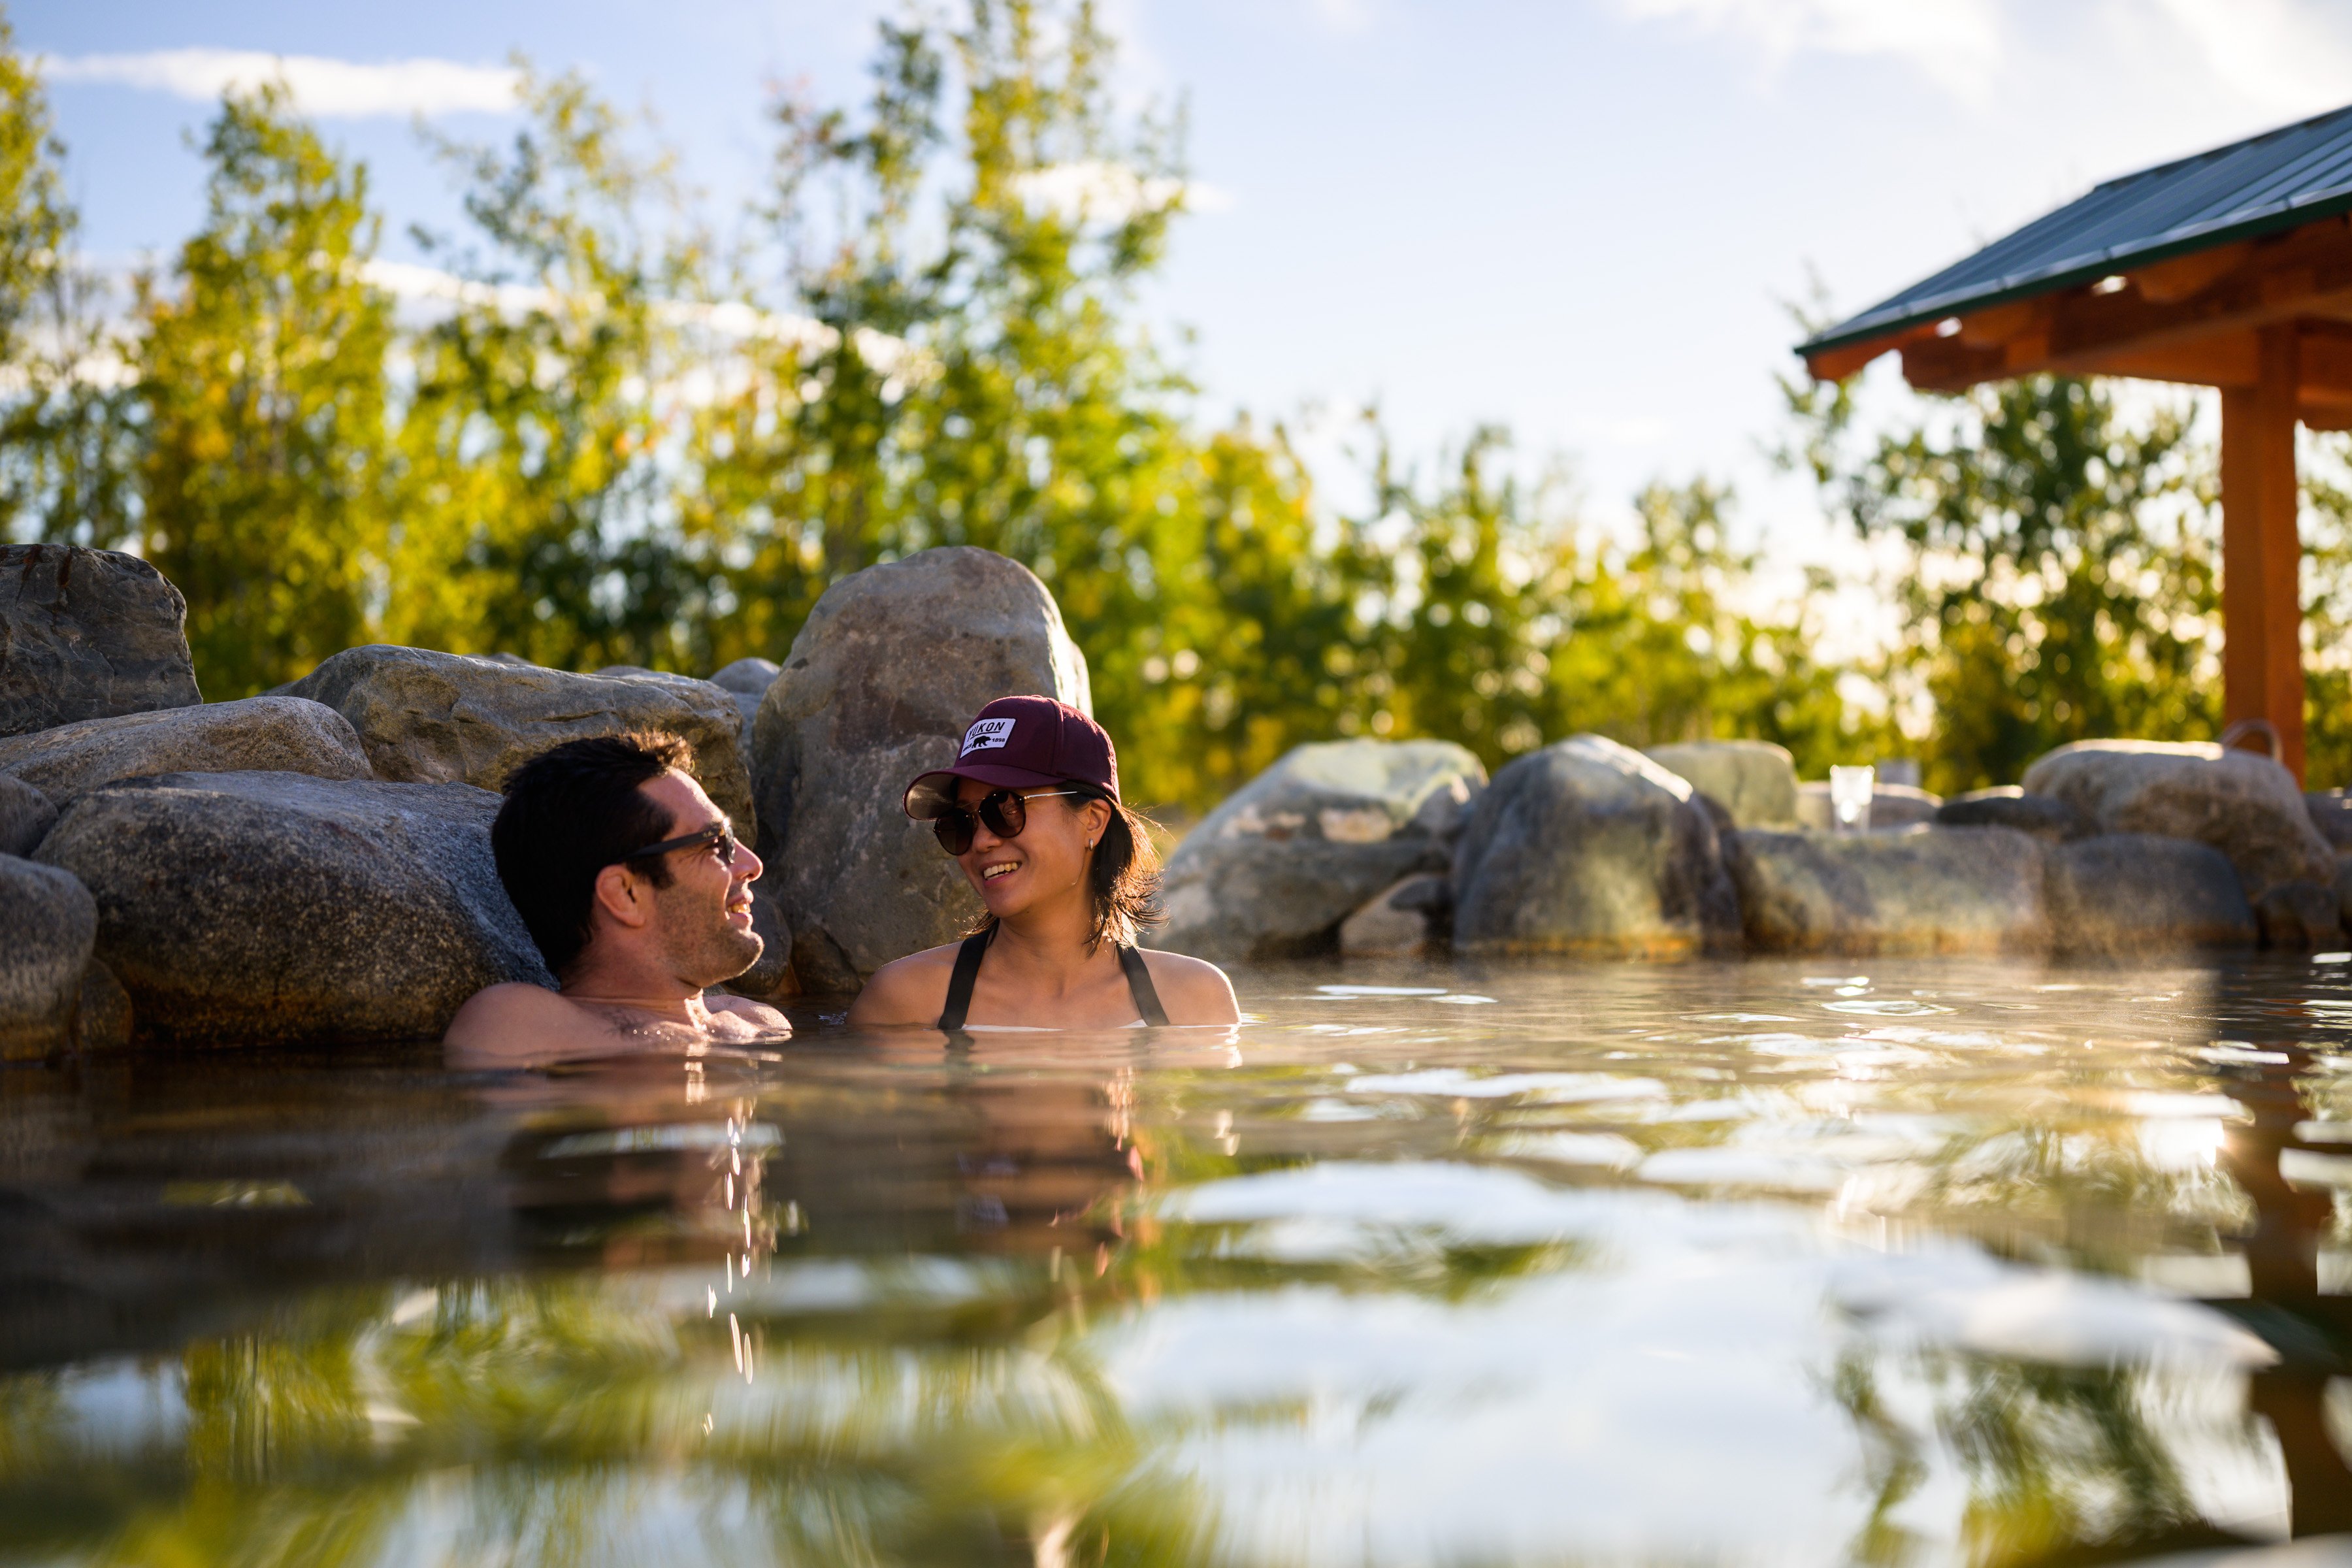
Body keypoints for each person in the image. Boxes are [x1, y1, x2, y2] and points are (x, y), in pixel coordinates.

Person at [849, 695, 1240, 1030]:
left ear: (1094, 820)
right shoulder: (903, 1005)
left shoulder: (1194, 1003)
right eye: (961, 822)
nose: (982, 841)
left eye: (1005, 808)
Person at [444, 731, 791, 1066]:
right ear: (625, 894)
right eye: (717, 845)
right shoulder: (520, 1024)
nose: (752, 865)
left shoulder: (761, 1023)